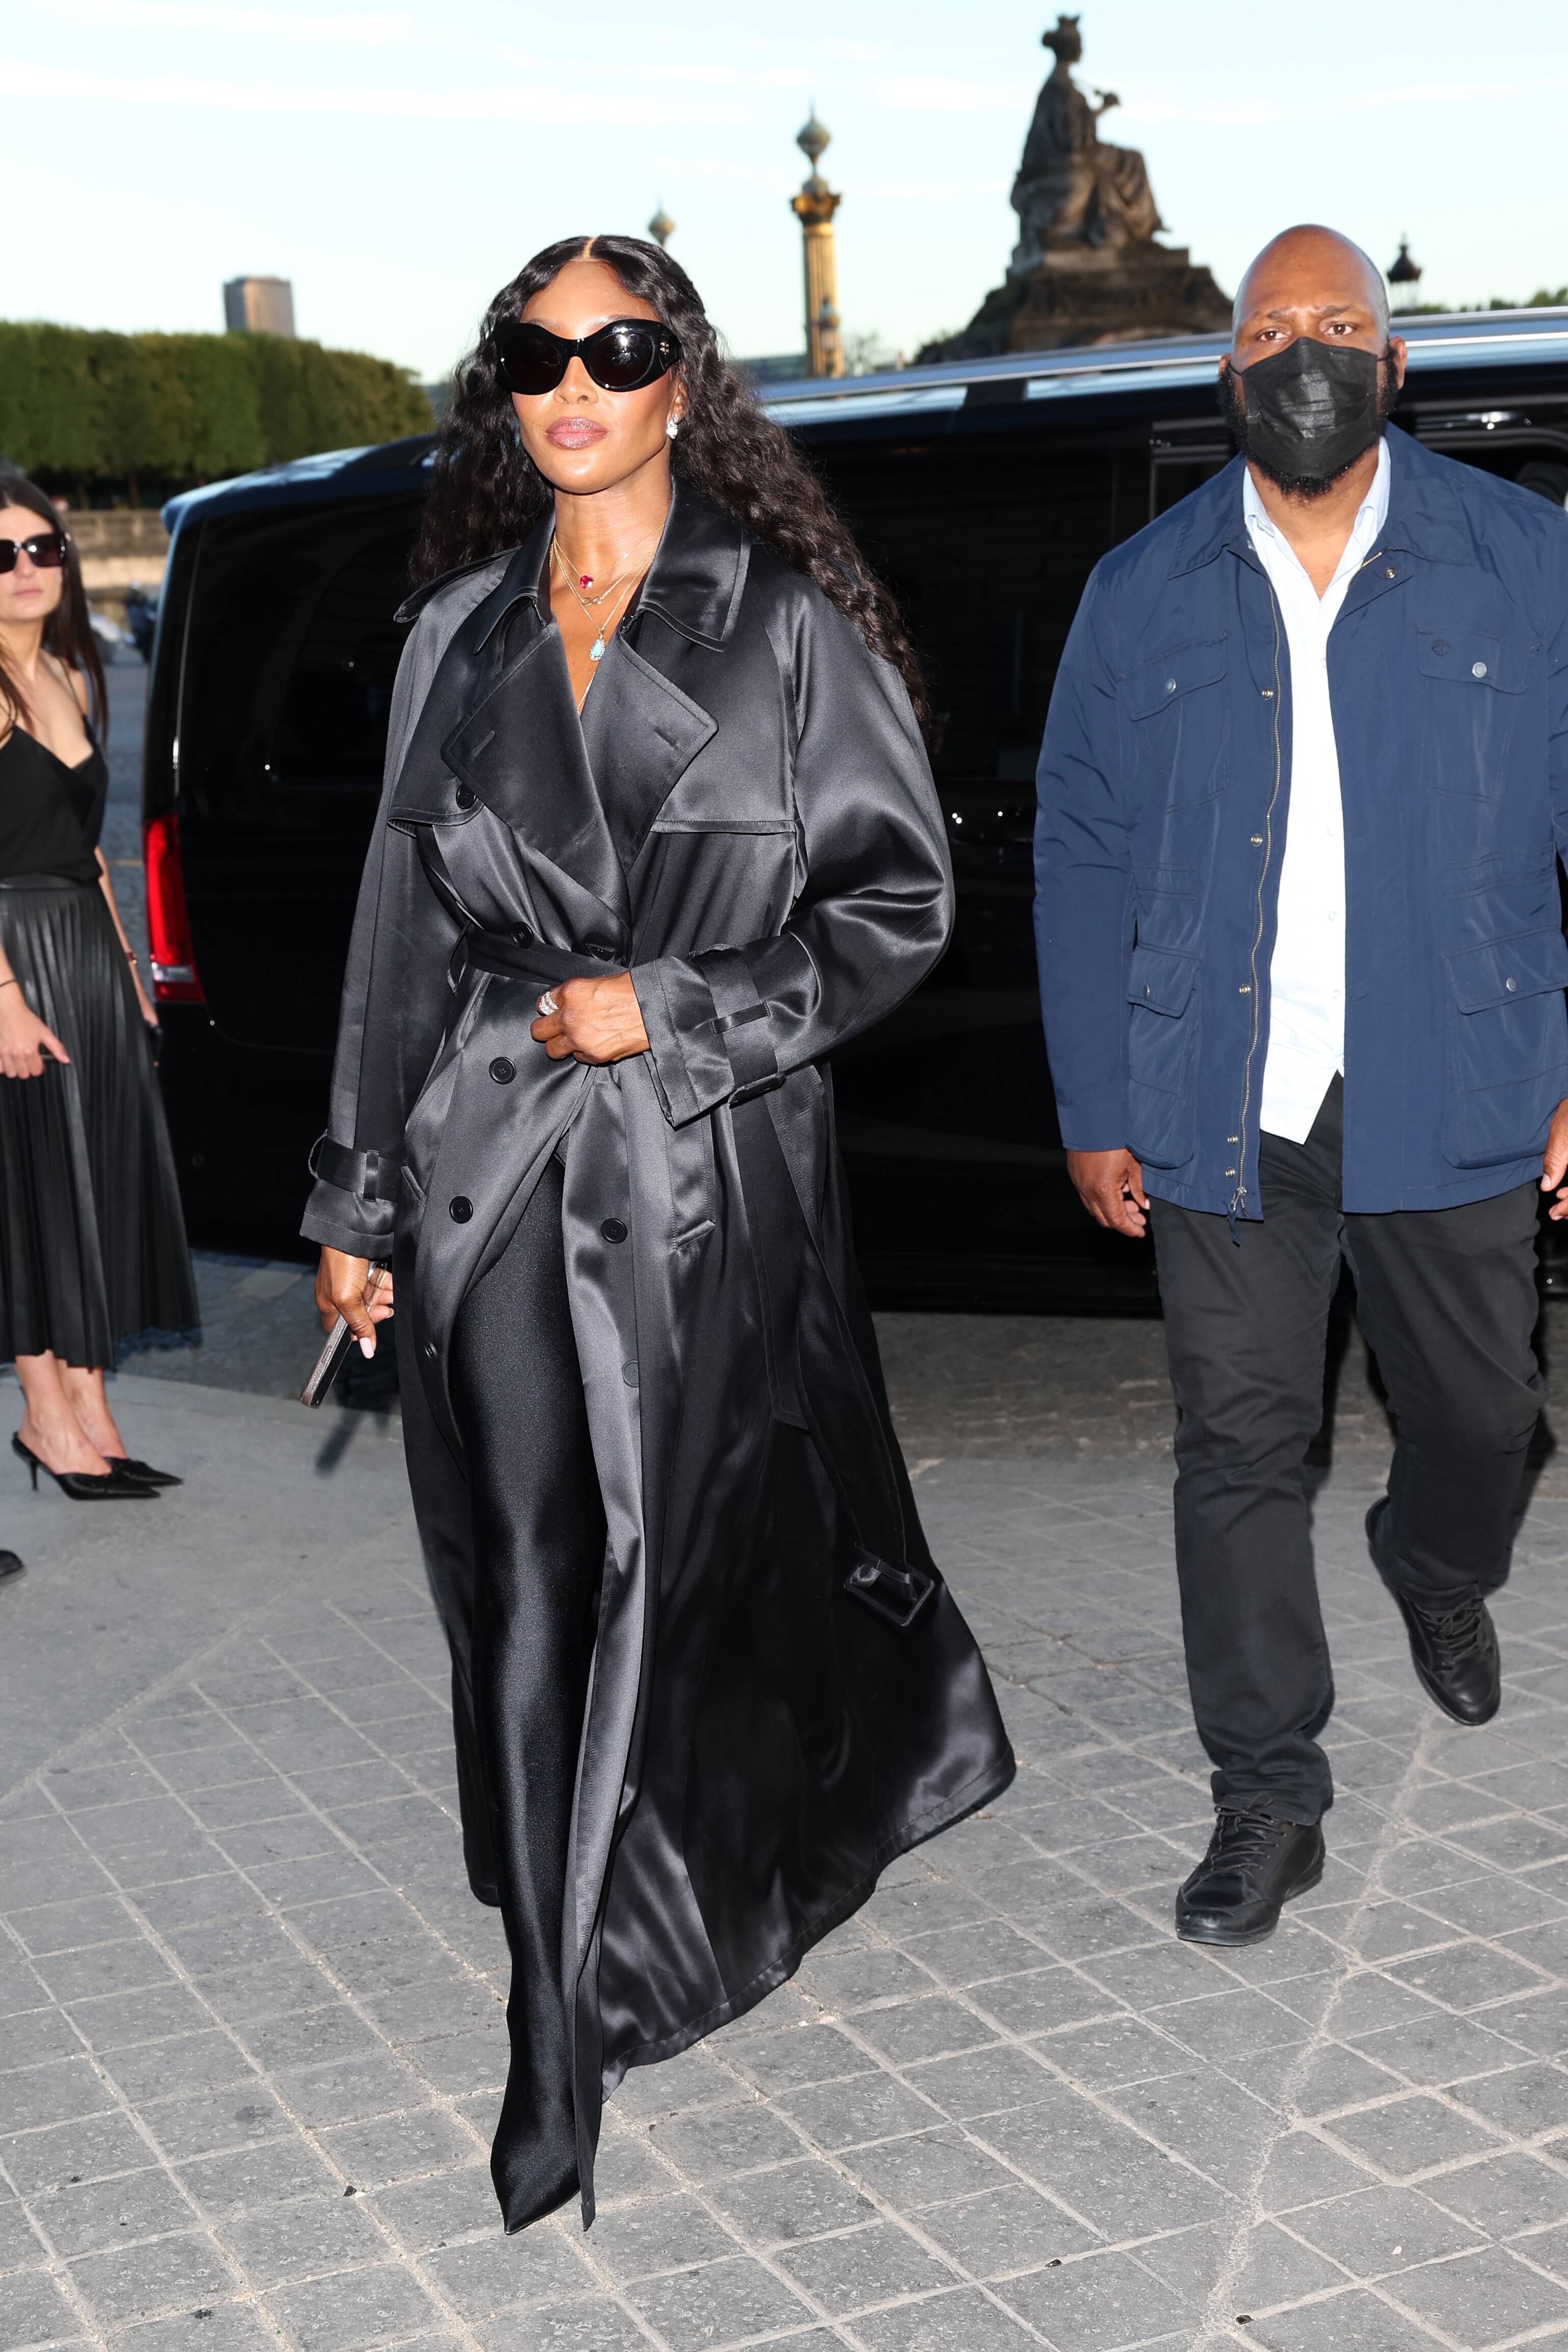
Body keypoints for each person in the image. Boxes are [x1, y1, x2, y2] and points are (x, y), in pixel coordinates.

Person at [305, 235, 1014, 2233]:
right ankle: (552, 2010)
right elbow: (395, 928)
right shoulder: (455, 633)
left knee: (672, 1561)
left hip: (699, 1158)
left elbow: (897, 907)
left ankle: (690, 1876)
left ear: (679, 381)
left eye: (614, 349)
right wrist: (357, 1194)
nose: (572, 386)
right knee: (533, 1564)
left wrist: (681, 1004)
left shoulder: (780, 624)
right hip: (490, 1144)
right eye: (532, 355)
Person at [1034, 224, 1568, 1947]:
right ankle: (1267, 1790)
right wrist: (1095, 1099)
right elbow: (1079, 849)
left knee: (1482, 1415)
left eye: (1342, 323)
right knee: (1239, 1448)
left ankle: (1436, 1559)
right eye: (1274, 328)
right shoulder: (1142, 588)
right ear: (1230, 370)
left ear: (1397, 362)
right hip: (1222, 1088)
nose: (1307, 352)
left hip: (1460, 1068)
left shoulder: (1522, 558)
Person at [0, 473, 193, 1498]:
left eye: (43, 548)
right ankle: (46, 1417)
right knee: (31, 1187)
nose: (27, 569)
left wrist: (127, 970)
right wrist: (2, 998)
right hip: (10, 954)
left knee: (93, 1179)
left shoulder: (69, 674)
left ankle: (90, 1408)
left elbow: (87, 851)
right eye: (2, 555)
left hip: (80, 945)